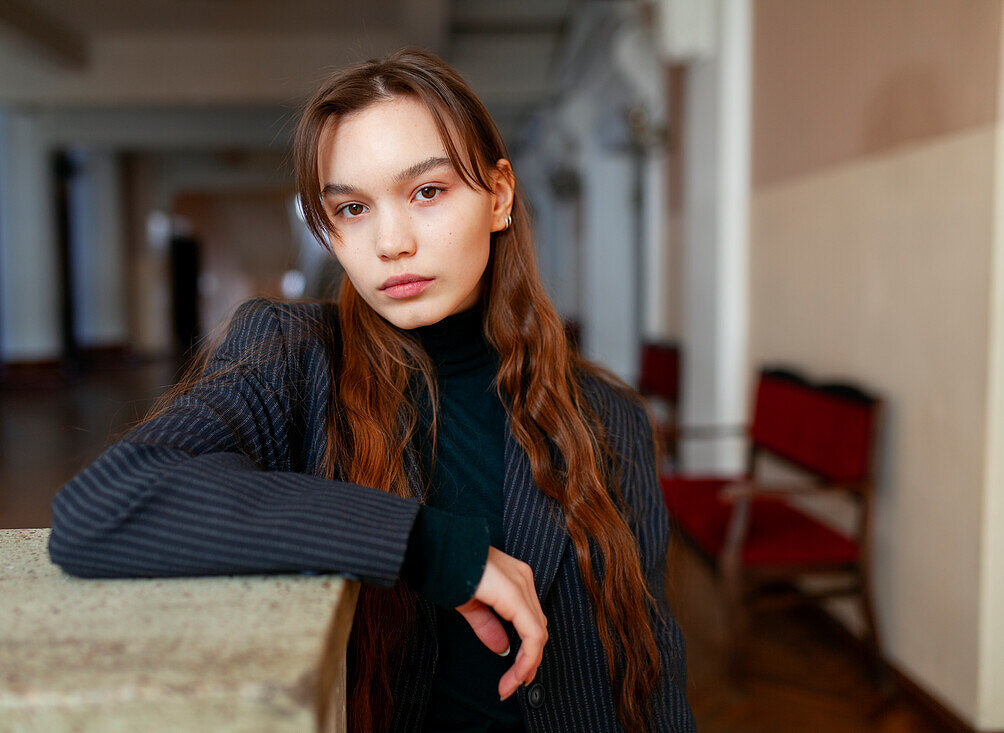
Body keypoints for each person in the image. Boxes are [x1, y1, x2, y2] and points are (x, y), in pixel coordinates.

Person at [48, 48, 695, 733]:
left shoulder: (607, 414)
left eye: (427, 192)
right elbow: (104, 506)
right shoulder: (293, 360)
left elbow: (648, 674)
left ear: (499, 195)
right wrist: (432, 548)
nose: (391, 242)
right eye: (353, 208)